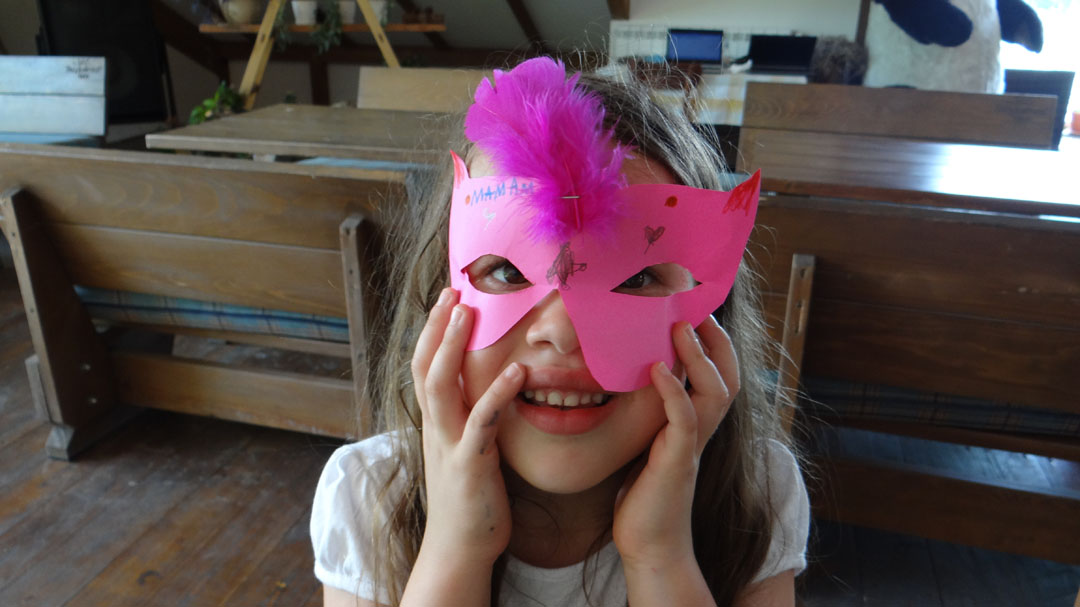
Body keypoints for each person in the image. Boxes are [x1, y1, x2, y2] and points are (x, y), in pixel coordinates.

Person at [311, 56, 809, 607]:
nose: (560, 332)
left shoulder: (757, 494)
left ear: (711, 329)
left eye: (636, 278)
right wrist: (454, 550)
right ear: (439, 303)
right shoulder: (369, 497)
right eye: (507, 272)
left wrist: (661, 556)